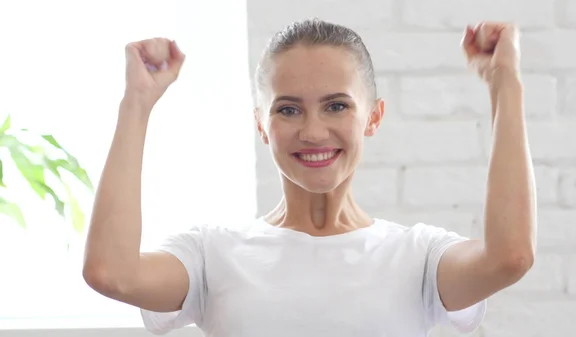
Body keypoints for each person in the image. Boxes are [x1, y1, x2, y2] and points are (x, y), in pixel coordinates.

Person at [83, 18, 537, 337]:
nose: (313, 131)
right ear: (261, 123)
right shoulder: (212, 253)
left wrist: (505, 86)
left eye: (337, 105)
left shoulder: (417, 256)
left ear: (373, 117)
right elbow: (111, 273)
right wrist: (137, 104)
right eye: (288, 109)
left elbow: (510, 257)